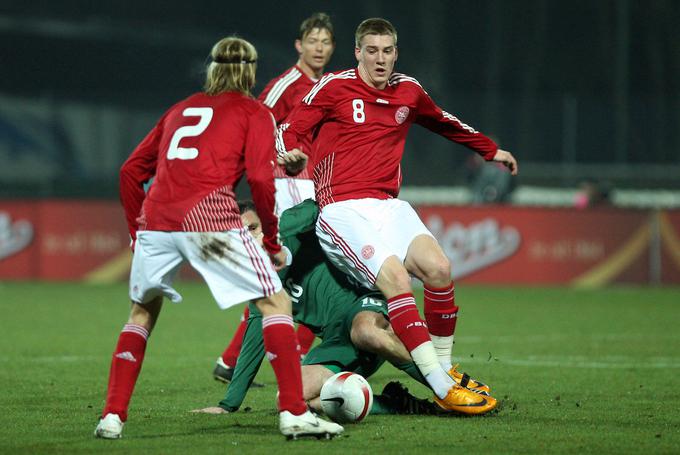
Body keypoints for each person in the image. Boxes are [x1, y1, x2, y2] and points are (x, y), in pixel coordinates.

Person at [94, 36, 342, 440]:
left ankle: (112, 417)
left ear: (211, 68)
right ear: (250, 70)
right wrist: (273, 239)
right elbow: (261, 179)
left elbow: (129, 172)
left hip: (156, 219)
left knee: (141, 312)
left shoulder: (180, 109)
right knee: (275, 301)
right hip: (208, 217)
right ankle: (295, 413)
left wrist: (135, 233)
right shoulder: (253, 110)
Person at [276, 18, 518, 413]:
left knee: (439, 269)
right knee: (394, 279)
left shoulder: (408, 91)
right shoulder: (335, 87)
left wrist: (489, 150)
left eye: (387, 51)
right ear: (357, 52)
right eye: (371, 50)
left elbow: (442, 121)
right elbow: (290, 128)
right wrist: (289, 155)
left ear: (396, 53)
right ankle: (441, 387)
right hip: (341, 210)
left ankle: (442, 367)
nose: (380, 59)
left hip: (389, 206)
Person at [194, 200, 493, 417]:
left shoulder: (291, 229)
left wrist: (282, 233)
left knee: (365, 331)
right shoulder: (262, 287)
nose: (253, 238)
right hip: (337, 343)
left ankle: (449, 388)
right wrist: (227, 405)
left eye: (254, 227)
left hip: (366, 304)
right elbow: (253, 346)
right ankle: (395, 404)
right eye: (243, 236)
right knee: (293, 397)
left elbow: (318, 207)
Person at [213, 12, 336, 383]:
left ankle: (242, 359)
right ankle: (247, 358)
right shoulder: (287, 84)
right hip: (286, 184)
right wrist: (276, 160)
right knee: (287, 272)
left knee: (305, 270)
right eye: (312, 40)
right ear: (299, 45)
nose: (319, 47)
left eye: (325, 41)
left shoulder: (329, 84)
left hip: (313, 184)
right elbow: (259, 123)